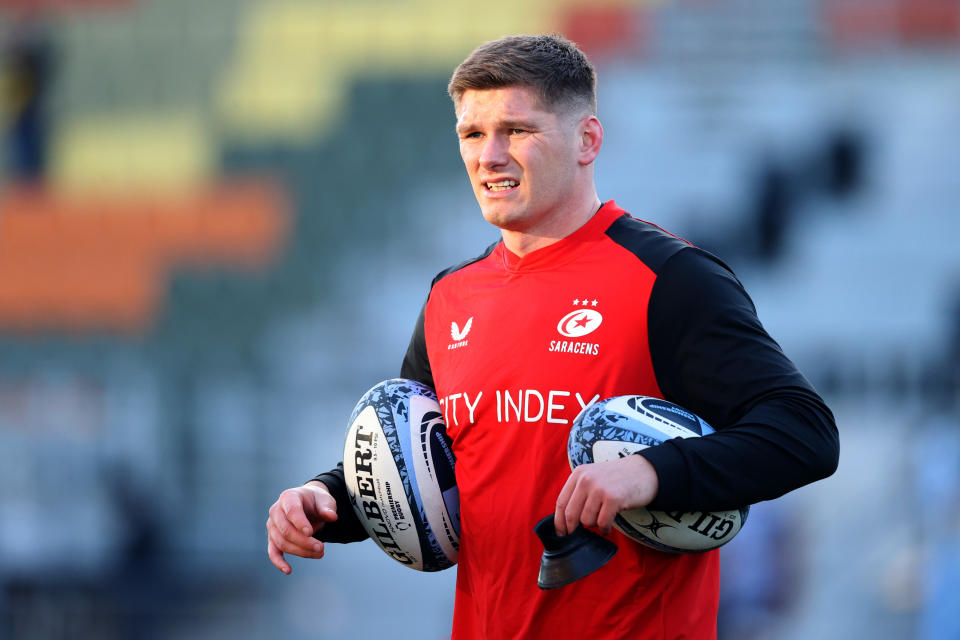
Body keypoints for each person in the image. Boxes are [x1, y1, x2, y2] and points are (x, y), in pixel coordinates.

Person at [266, 34, 839, 640]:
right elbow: (419, 461)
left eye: (516, 130)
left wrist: (651, 471)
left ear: (588, 139)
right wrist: (321, 498)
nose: (489, 156)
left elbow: (805, 433)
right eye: (471, 134)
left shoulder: (670, 279)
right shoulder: (449, 297)